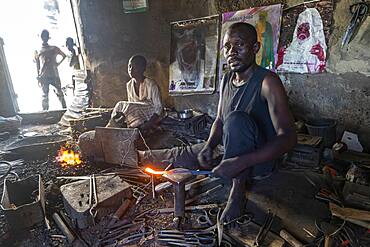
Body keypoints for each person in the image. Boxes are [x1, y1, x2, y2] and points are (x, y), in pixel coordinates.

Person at [140, 22, 297, 224]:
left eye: (239, 45)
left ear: (255, 48)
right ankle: (138, 157)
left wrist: (243, 161)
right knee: (186, 155)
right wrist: (209, 145)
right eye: (227, 47)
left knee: (236, 120)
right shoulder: (227, 79)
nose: (232, 52)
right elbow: (220, 119)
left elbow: (289, 138)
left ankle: (237, 190)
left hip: (259, 162)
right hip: (231, 151)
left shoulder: (268, 82)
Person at [106, 55, 162, 132]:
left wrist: (149, 123)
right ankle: (110, 128)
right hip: (137, 114)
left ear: (142, 68)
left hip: (151, 114)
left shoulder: (151, 84)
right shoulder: (129, 85)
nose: (131, 69)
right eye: (129, 66)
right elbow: (131, 104)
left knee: (131, 107)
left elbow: (158, 108)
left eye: (135, 67)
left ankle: (116, 129)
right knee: (120, 104)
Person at [34, 29, 67, 110]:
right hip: (44, 76)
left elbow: (64, 55)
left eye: (45, 36)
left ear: (48, 37)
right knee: (45, 95)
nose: (44, 38)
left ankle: (64, 110)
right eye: (43, 36)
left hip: (53, 74)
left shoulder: (54, 48)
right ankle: (45, 113)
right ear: (41, 37)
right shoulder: (38, 50)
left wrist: (57, 64)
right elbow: (37, 64)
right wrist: (38, 75)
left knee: (59, 93)